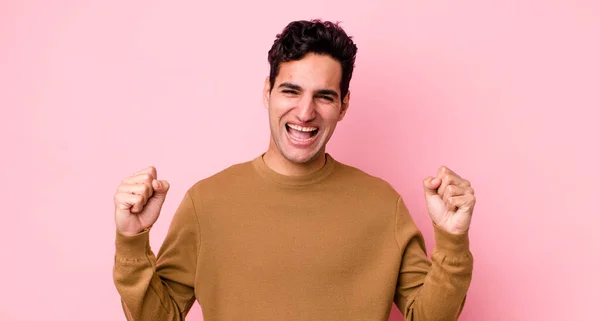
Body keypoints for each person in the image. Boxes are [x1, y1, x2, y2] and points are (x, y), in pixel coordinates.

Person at [112, 19, 475, 321]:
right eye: (291, 91)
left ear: (343, 105)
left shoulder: (382, 204)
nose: (305, 112)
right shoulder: (206, 203)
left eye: (324, 96)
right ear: (267, 91)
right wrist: (132, 241)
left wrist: (452, 241)